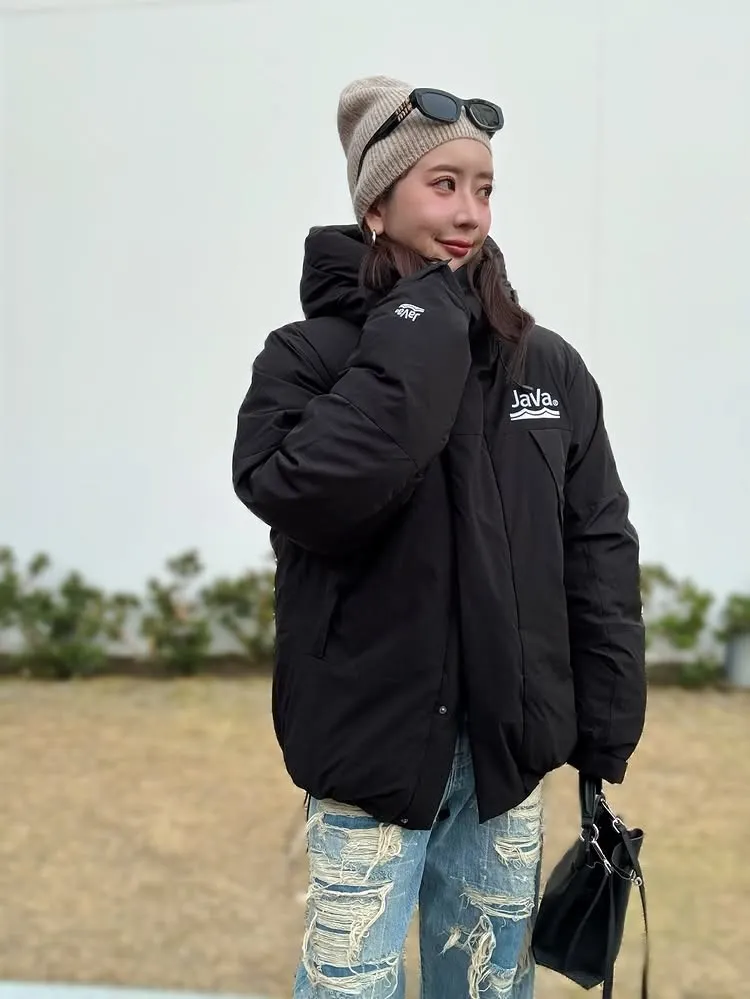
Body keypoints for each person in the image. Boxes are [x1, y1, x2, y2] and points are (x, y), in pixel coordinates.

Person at [232, 76, 646, 999]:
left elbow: (597, 549)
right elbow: (310, 492)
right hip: (370, 755)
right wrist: (420, 323)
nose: (469, 213)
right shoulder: (308, 358)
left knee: (490, 986)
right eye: (443, 184)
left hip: (508, 756)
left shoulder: (545, 367)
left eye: (484, 188)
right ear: (375, 205)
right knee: (351, 985)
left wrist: (606, 723)